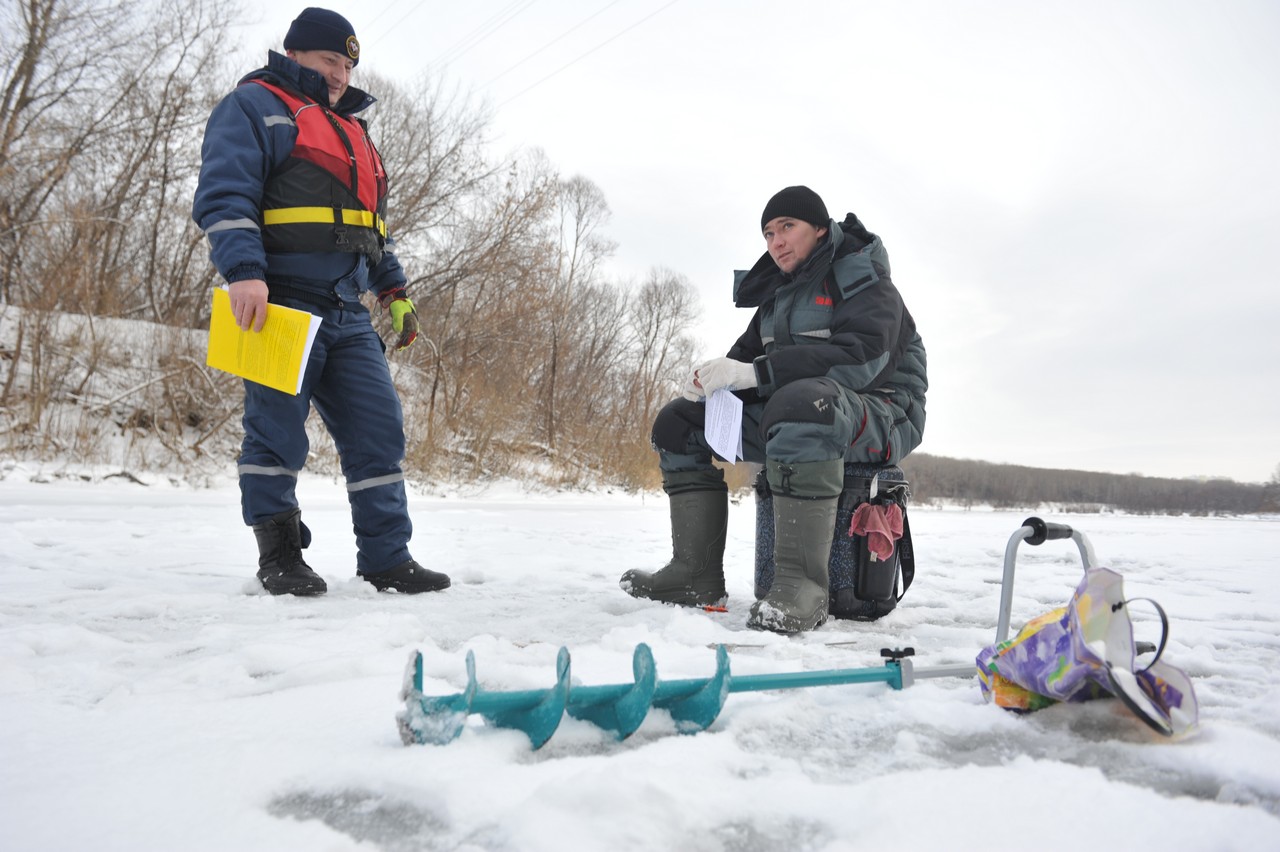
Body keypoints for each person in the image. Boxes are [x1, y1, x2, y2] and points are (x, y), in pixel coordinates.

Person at [192, 8, 448, 596]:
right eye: (331, 59)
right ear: (297, 53)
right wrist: (244, 272)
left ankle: (387, 557)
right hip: (278, 298)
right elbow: (224, 193)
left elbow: (369, 226)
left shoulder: (355, 130)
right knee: (276, 434)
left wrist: (395, 290)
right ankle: (279, 555)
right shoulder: (256, 105)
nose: (340, 73)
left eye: (349, 63)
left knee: (379, 431)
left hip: (347, 308)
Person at [620, 186, 927, 633]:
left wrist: (754, 375)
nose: (776, 241)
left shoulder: (866, 281)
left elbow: (859, 360)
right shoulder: (777, 297)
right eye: (768, 233)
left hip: (884, 409)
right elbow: (744, 365)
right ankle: (694, 575)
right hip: (804, 410)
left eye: (788, 227)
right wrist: (710, 384)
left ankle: (803, 589)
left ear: (820, 229)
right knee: (678, 423)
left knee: (803, 404)